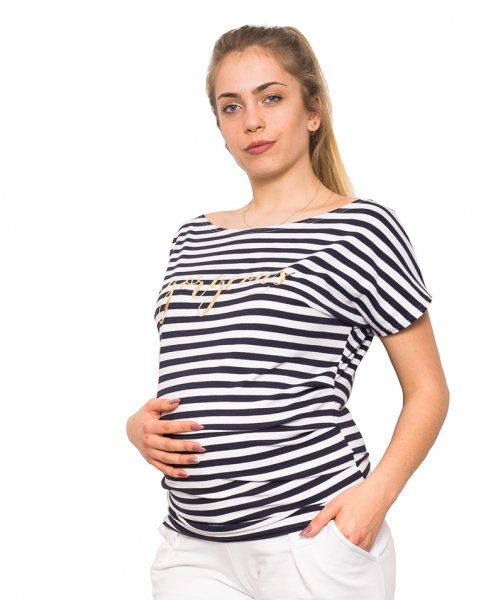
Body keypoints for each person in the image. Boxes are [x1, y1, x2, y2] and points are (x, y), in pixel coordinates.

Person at [126, 24, 449, 600]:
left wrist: (373, 500)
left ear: (313, 112)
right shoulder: (192, 238)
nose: (252, 121)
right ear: (220, 127)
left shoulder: (361, 230)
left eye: (271, 97)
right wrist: (139, 428)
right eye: (232, 106)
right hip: (191, 549)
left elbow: (428, 389)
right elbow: (209, 369)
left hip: (311, 543)